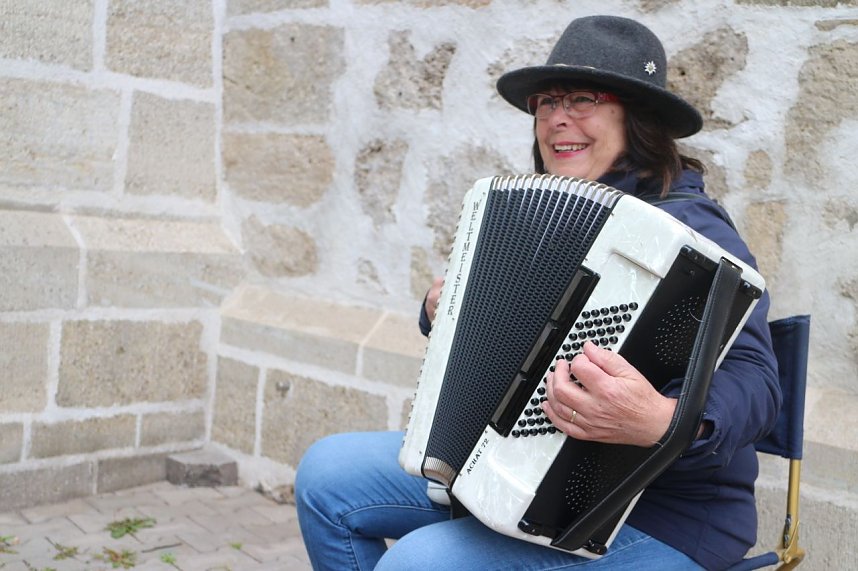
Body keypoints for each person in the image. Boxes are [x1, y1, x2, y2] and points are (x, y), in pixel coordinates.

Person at [295, 15, 780, 571]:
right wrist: (445, 309)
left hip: (657, 513)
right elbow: (513, 333)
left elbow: (758, 383)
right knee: (326, 477)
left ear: (637, 118)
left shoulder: (697, 235)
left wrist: (664, 422)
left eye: (582, 99)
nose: (557, 119)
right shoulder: (549, 212)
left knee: (420, 563)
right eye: (546, 103)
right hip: (515, 467)